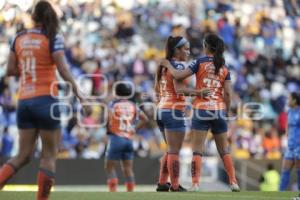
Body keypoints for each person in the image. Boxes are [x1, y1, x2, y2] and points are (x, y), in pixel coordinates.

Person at [0, 1, 84, 200]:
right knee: (48, 156)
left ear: (33, 17)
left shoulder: (19, 38)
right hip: (47, 100)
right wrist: (80, 95)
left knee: (22, 156)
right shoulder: (52, 37)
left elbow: (10, 70)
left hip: (25, 101)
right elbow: (63, 69)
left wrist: (30, 68)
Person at [161, 33, 240, 192]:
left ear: (205, 46)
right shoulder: (224, 67)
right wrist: (225, 109)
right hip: (218, 110)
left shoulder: (199, 62)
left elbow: (179, 75)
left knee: (197, 149)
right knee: (224, 149)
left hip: (201, 110)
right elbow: (228, 94)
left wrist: (168, 65)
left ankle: (195, 184)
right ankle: (233, 182)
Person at [154, 36, 210, 192]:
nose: (188, 51)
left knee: (170, 149)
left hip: (161, 110)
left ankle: (162, 182)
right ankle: (176, 185)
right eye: (185, 49)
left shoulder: (163, 66)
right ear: (176, 50)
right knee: (174, 151)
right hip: (173, 111)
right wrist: (199, 92)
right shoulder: (178, 66)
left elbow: (156, 90)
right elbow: (179, 90)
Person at [105, 83, 148, 192]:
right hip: (129, 140)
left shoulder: (112, 104)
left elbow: (108, 118)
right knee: (128, 168)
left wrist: (108, 129)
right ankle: (130, 192)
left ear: (116, 92)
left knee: (109, 167)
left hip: (116, 138)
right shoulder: (133, 105)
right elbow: (145, 119)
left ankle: (113, 192)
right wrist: (133, 129)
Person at [279, 92, 300, 191]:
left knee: (298, 170)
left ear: (295, 101)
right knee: (285, 169)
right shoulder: (290, 111)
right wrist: (287, 133)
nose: (287, 101)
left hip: (299, 145)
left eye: (289, 99)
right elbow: (288, 123)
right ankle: (280, 193)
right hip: (290, 145)